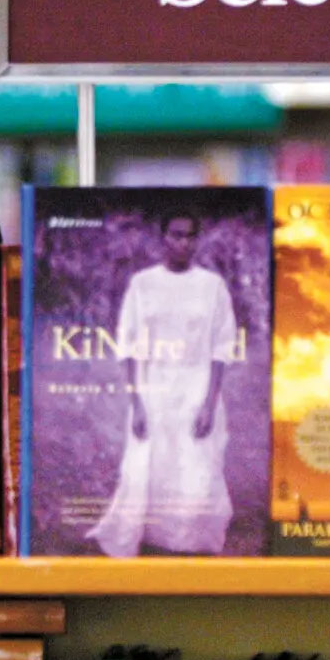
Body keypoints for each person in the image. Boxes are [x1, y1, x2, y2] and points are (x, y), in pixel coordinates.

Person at [88, 213, 239, 557]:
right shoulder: (143, 284)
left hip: (196, 385)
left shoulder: (212, 286)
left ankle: (189, 537)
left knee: (196, 460)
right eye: (176, 235)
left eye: (190, 236)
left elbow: (221, 346)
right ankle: (149, 532)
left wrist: (209, 403)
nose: (183, 243)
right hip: (153, 384)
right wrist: (137, 403)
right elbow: (127, 345)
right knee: (147, 460)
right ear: (163, 238)